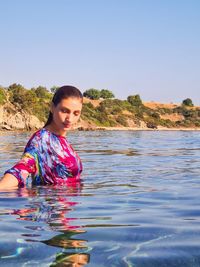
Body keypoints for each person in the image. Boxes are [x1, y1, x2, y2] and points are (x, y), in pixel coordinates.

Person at [0, 85, 83, 189]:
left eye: (76, 113)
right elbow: (20, 170)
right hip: (50, 203)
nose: (70, 119)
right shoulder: (41, 140)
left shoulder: (61, 141)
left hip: (70, 203)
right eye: (64, 111)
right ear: (52, 108)